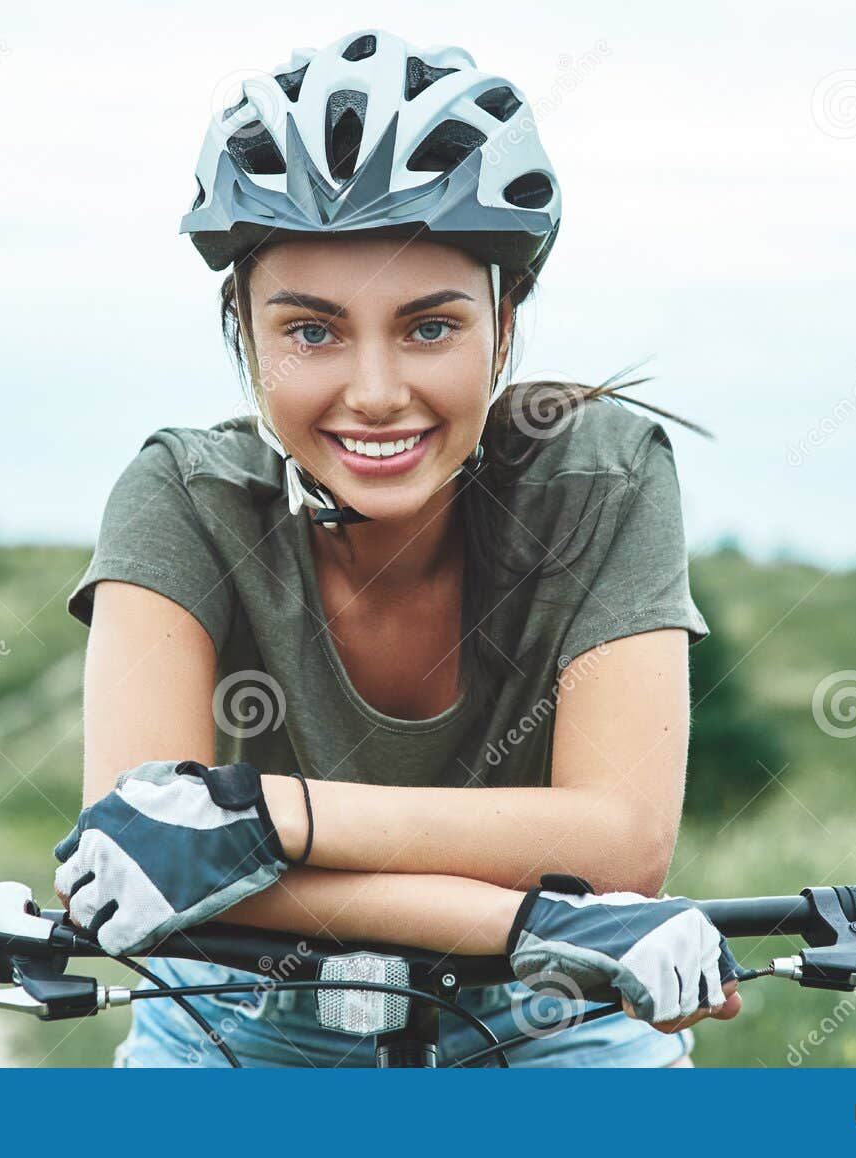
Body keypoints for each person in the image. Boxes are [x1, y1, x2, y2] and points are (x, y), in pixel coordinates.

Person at [59, 27, 740, 1067]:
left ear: (504, 324)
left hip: (556, 1020)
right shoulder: (182, 498)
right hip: (242, 1015)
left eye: (429, 327)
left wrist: (257, 815)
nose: (375, 391)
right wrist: (527, 920)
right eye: (312, 330)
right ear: (242, 324)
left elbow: (620, 844)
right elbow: (143, 851)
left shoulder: (602, 477)